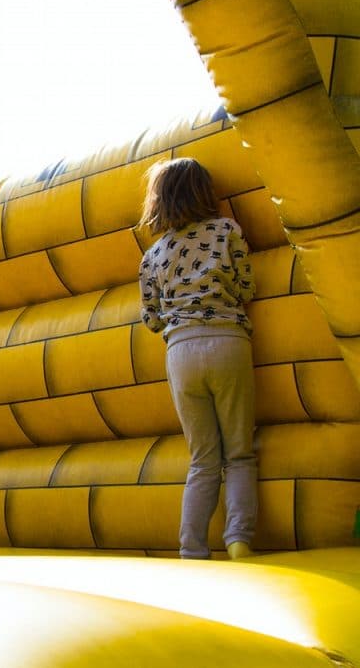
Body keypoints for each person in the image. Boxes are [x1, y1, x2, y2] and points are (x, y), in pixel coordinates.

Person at [138, 157, 257, 560]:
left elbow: (151, 319)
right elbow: (246, 287)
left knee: (203, 458)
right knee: (238, 451)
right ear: (206, 193)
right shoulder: (227, 231)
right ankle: (239, 539)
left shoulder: (153, 255)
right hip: (227, 340)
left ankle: (192, 550)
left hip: (181, 351)